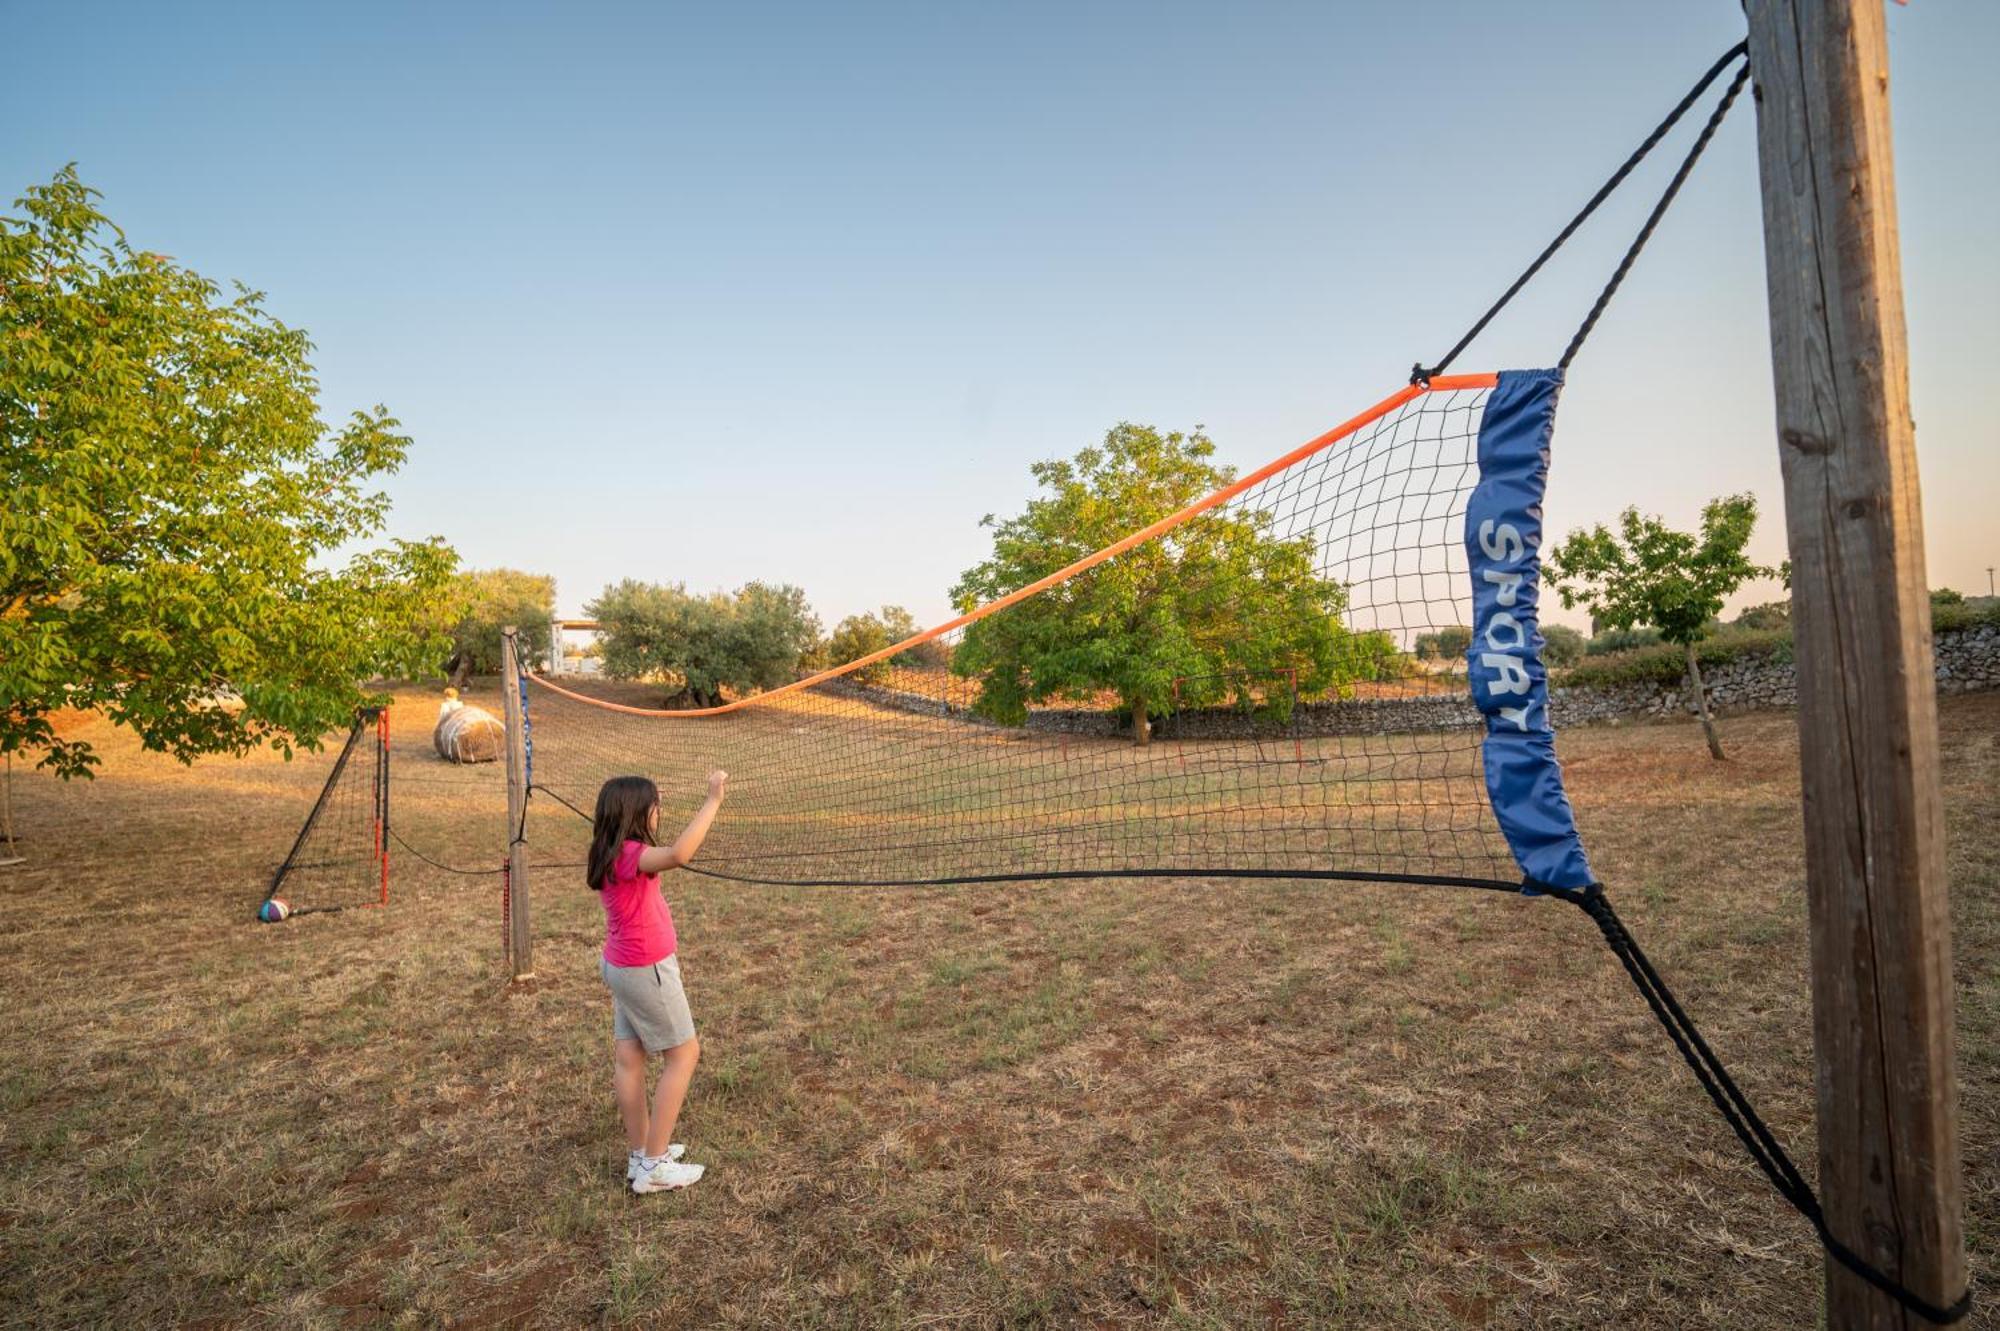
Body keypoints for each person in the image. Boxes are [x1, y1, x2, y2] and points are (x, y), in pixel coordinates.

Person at [588, 771, 727, 1194]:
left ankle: (641, 1154)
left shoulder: (607, 850)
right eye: (653, 807)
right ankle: (655, 1164)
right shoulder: (632, 855)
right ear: (636, 814)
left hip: (622, 967)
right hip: (644, 969)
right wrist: (713, 800)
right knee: (684, 1054)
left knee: (630, 1059)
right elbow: (681, 853)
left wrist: (649, 798)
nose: (658, 813)